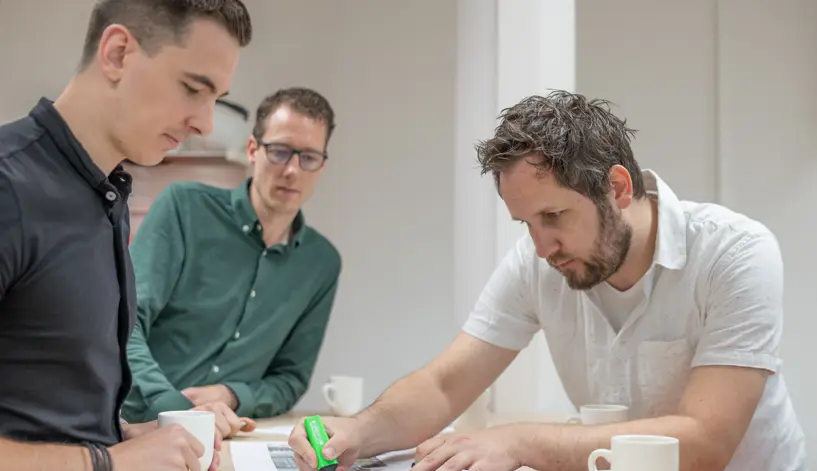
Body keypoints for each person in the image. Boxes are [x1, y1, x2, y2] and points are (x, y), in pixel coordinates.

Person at [288, 91, 807, 471]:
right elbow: (446, 385)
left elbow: (705, 441)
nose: (541, 248)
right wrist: (358, 431)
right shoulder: (540, 261)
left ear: (618, 188)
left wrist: (518, 443)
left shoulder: (736, 253)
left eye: (554, 216)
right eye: (526, 225)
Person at [0, 1, 253, 470]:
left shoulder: (105, 195)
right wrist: (109, 463)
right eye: (193, 88)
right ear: (117, 53)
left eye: (215, 97)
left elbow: (50, 419)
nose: (206, 123)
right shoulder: (8, 186)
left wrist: (133, 437)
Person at [122, 87, 341, 424]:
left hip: (230, 434)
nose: (292, 170)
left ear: (322, 166)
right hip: (134, 425)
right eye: (280, 151)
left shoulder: (321, 263)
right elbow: (123, 321)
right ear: (253, 149)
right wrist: (176, 409)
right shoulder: (184, 207)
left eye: (309, 157)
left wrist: (232, 395)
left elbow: (290, 379)